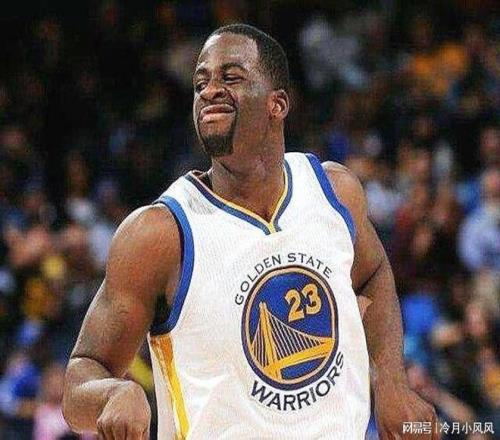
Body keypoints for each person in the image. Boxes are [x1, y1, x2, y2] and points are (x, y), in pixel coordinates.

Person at [62, 24, 437, 439]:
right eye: (200, 83)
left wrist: (391, 382)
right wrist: (111, 394)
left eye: (231, 77)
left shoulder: (334, 192)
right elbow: (81, 375)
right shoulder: (160, 234)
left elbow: (373, 275)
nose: (209, 91)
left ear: (278, 104)